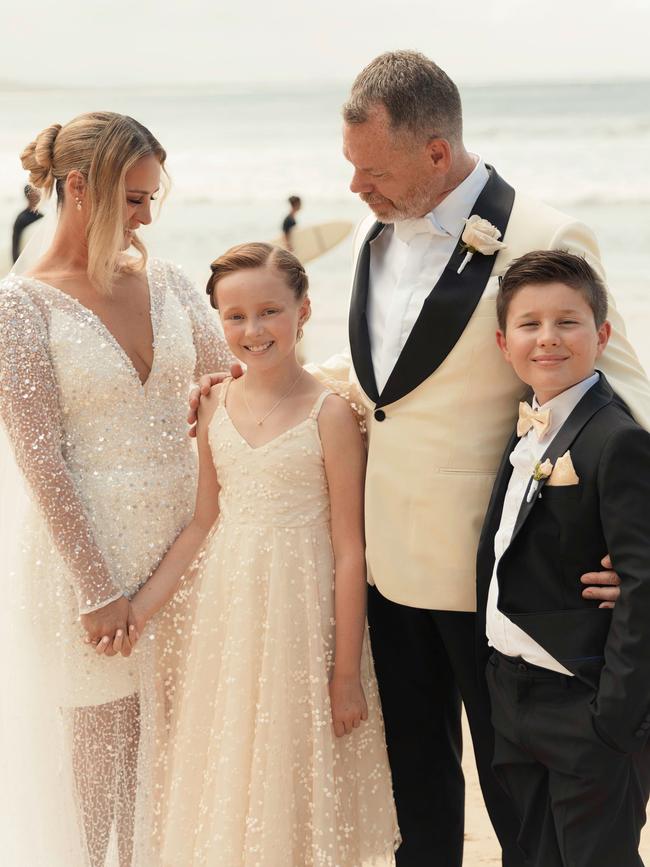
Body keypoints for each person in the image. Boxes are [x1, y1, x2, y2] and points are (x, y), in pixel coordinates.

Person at [187, 51, 648, 867]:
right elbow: (383, 381)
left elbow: (622, 395)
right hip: (381, 566)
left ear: (437, 153)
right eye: (351, 169)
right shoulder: (373, 233)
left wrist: (634, 537)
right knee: (416, 799)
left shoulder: (543, 235)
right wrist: (258, 379)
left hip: (496, 573)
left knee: (518, 800)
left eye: (373, 170)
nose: (357, 189)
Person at [0, 112, 232, 867]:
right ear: (78, 187)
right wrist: (97, 586)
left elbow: (231, 382)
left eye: (152, 197)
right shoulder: (20, 306)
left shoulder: (167, 280)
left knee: (170, 762)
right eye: (134, 198)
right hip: (84, 566)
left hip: (184, 555)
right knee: (96, 777)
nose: (147, 216)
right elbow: (41, 459)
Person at [130, 242, 399, 866]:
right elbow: (202, 523)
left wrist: (344, 673)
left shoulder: (329, 414)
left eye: (270, 311)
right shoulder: (214, 402)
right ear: (217, 320)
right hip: (230, 610)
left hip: (304, 615)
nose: (253, 330)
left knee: (295, 769)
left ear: (304, 310)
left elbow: (350, 551)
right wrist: (139, 609)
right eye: (235, 316)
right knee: (231, 771)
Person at [477, 250, 650, 867]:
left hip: (585, 703)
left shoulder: (617, 438)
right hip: (513, 692)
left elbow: (642, 585)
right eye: (529, 324)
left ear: (601, 335)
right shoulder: (526, 425)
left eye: (567, 322)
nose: (547, 338)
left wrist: (615, 717)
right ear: (504, 343)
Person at [11, 183, 43, 262]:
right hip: (26, 261)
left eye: (38, 190)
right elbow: (15, 245)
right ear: (28, 195)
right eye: (34, 191)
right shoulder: (21, 218)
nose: (38, 193)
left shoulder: (42, 217)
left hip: (39, 260)